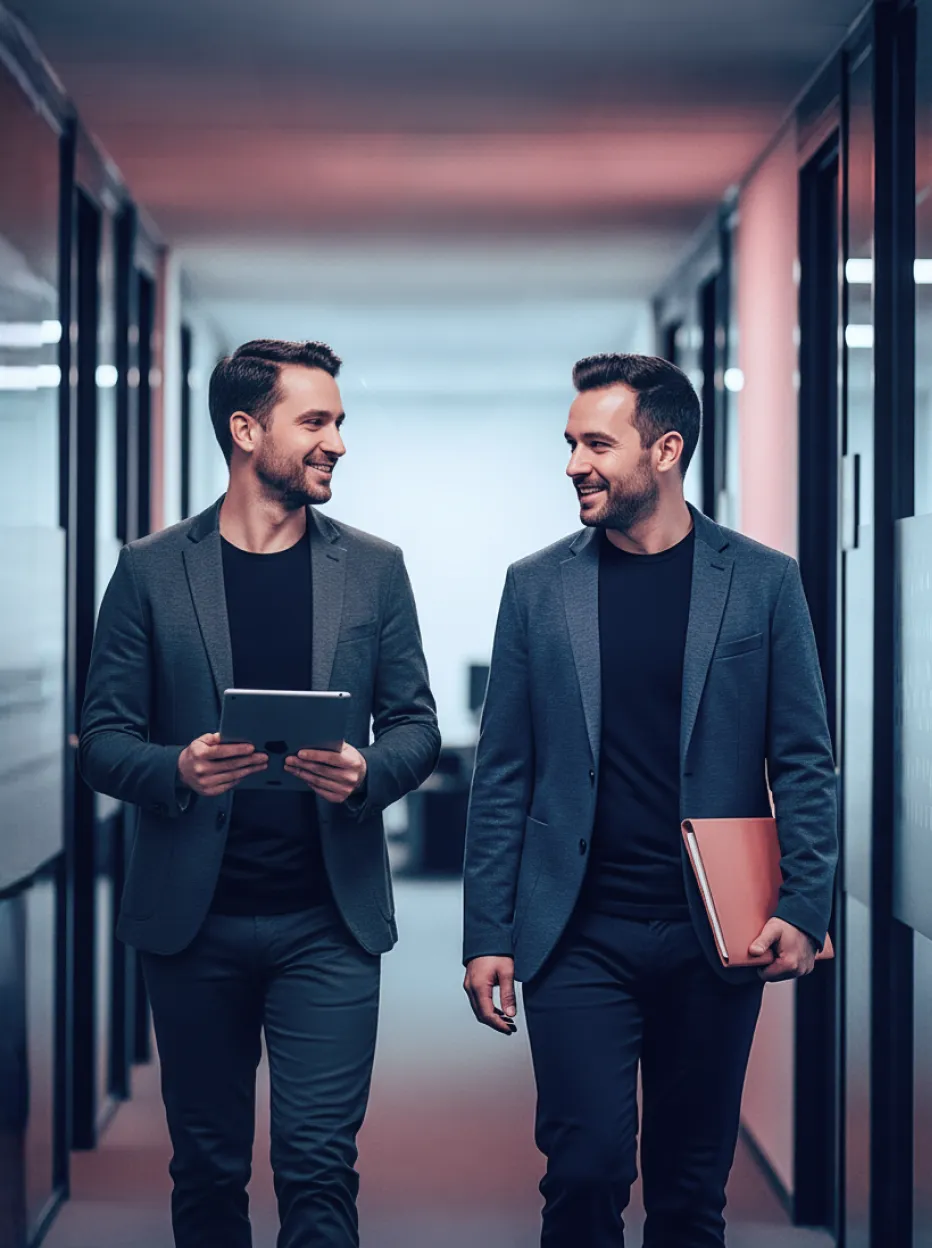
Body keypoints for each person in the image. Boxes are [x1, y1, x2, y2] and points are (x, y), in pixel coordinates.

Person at [462, 352, 837, 1247]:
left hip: (715, 935)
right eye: (569, 443)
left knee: (689, 1188)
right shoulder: (536, 586)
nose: (573, 464)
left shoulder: (762, 581)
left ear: (666, 450)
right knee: (585, 1171)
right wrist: (488, 933)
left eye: (596, 443)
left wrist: (804, 901)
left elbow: (803, 759)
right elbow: (503, 770)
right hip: (576, 932)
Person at [80, 339, 440, 1248]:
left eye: (339, 422)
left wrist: (369, 773)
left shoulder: (374, 569)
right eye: (315, 422)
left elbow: (417, 727)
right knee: (206, 1169)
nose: (337, 444)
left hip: (330, 920)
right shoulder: (151, 571)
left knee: (320, 1169)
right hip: (192, 925)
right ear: (246, 431)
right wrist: (178, 770)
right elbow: (104, 741)